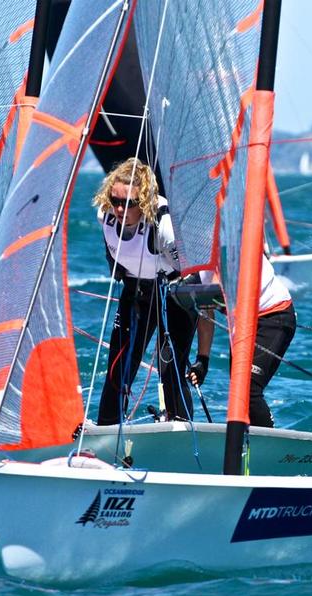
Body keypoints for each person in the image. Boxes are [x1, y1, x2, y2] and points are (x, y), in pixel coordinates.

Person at [94, 158, 198, 426]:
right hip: (136, 292)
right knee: (119, 364)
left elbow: (191, 273)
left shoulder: (163, 226)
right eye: (115, 200)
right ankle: (106, 428)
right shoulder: (105, 216)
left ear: (144, 201)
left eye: (128, 203)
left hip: (173, 296)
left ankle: (180, 426)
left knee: (170, 367)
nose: (119, 208)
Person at [188, 256, 296, 428]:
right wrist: (203, 360)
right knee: (239, 395)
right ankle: (248, 441)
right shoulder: (197, 261)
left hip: (273, 316)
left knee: (248, 390)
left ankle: (268, 441)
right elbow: (205, 312)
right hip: (242, 325)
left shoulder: (235, 241)